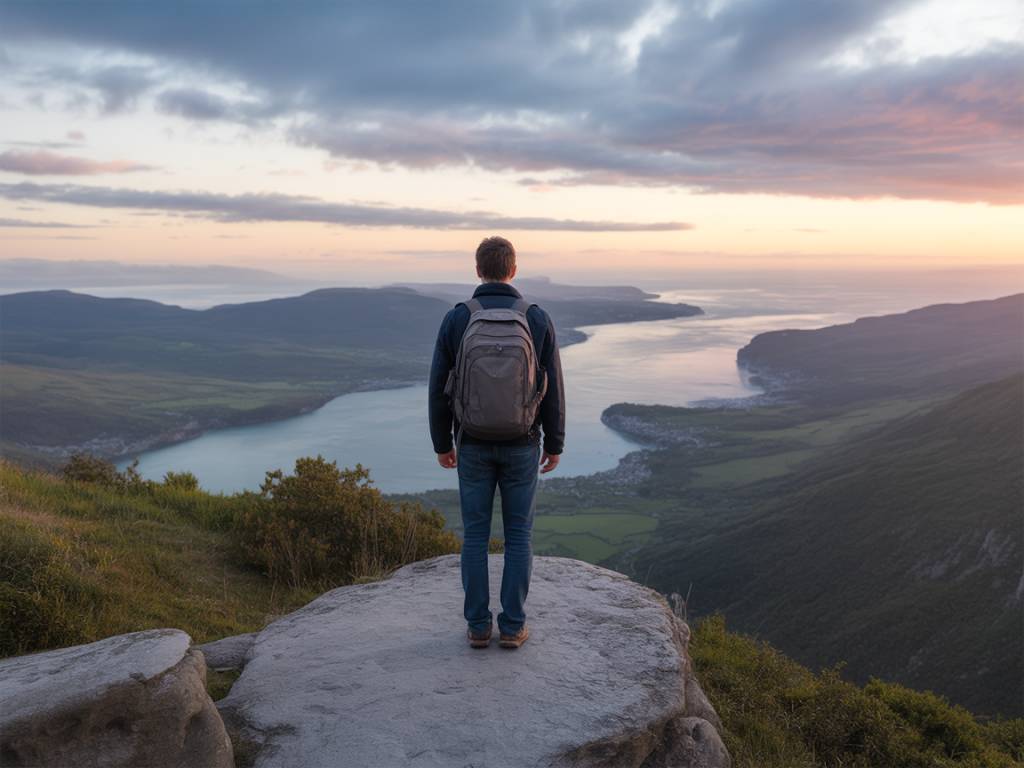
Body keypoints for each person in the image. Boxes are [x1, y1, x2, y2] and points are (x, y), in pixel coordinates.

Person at [428, 236, 565, 650]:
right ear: (513, 270)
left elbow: (438, 387)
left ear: (477, 270)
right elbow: (553, 387)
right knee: (519, 534)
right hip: (523, 442)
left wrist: (441, 442)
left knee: (474, 535)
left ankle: (476, 626)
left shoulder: (458, 318)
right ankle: (512, 626)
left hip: (471, 441)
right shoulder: (536, 318)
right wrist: (554, 442)